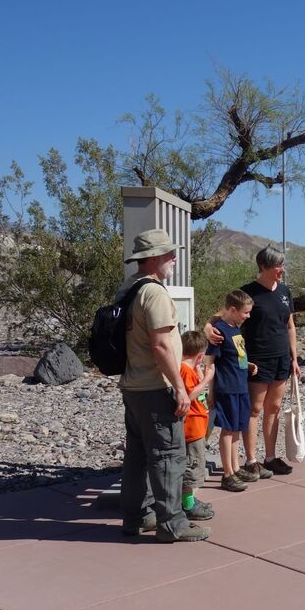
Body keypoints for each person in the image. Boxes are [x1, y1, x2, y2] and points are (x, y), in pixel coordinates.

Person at [118, 228, 210, 542]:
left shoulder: (129, 288)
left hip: (132, 386)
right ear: (156, 258)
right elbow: (160, 346)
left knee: (138, 456)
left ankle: (137, 516)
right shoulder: (154, 293)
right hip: (155, 389)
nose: (174, 259)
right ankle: (172, 524)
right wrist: (180, 388)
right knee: (169, 456)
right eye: (170, 254)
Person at [206, 245, 301, 478]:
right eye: (278, 265)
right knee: (254, 409)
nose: (282, 269)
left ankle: (270, 458)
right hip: (257, 358)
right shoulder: (248, 293)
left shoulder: (285, 291)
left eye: (282, 264)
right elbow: (219, 316)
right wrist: (208, 328)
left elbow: (290, 326)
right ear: (264, 267)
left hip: (281, 358)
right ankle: (251, 460)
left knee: (274, 408)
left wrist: (294, 358)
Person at [206, 290, 259, 492]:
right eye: (245, 312)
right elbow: (210, 362)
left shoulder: (235, 328)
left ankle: (235, 467)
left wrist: (248, 364)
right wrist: (211, 391)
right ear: (233, 310)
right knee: (228, 430)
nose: (247, 316)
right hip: (227, 388)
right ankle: (227, 473)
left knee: (237, 428)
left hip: (240, 386)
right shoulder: (218, 331)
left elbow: (235, 356)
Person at [179, 330, 215, 519]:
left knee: (196, 465)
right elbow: (189, 395)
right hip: (191, 430)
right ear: (200, 355)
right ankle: (187, 504)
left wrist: (200, 370)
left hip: (198, 427)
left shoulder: (190, 368)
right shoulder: (184, 370)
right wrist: (208, 380)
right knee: (191, 469)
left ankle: (189, 500)